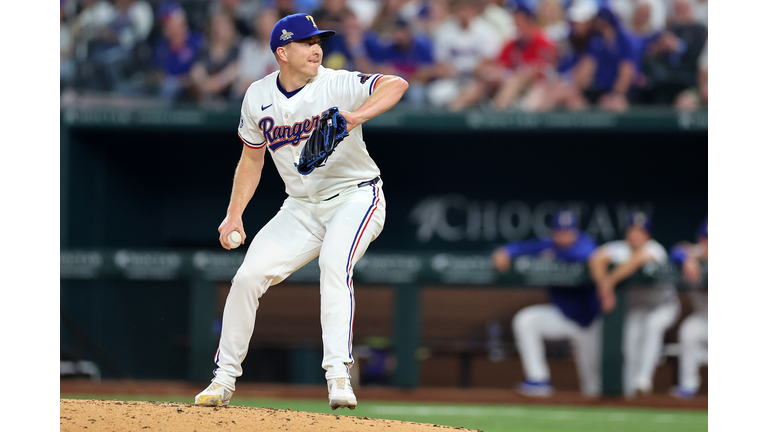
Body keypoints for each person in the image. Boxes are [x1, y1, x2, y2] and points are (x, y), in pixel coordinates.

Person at [194, 13, 409, 409]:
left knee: (333, 264)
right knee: (246, 278)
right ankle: (222, 381)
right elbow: (251, 160)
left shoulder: (336, 82)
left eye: (319, 41)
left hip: (355, 196)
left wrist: (357, 116)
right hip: (300, 207)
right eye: (306, 42)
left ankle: (339, 375)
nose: (316, 48)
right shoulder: (258, 96)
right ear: (282, 52)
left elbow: (396, 84)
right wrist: (234, 213)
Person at [492, 210, 602, 398]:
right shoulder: (548, 246)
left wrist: (555, 255)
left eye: (568, 231)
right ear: (553, 232)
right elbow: (520, 248)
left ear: (576, 232)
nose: (564, 236)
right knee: (526, 320)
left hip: (589, 322)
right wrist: (505, 251)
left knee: (593, 387)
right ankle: (538, 380)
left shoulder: (586, 246)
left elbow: (588, 255)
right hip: (563, 316)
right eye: (559, 231)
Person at [588, 212, 680, 397]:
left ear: (648, 235)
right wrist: (603, 285)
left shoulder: (655, 249)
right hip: (637, 308)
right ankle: (630, 391)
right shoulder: (621, 248)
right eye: (632, 230)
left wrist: (609, 282)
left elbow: (637, 261)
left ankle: (643, 380)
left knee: (652, 327)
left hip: (663, 306)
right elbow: (596, 258)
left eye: (640, 231)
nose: (635, 235)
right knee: (628, 342)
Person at [448, 1, 557, 112]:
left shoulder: (543, 40)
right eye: (514, 15)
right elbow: (500, 65)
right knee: (486, 80)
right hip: (509, 81)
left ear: (527, 18)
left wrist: (520, 74)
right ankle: (452, 112)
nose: (515, 19)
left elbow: (544, 70)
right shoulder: (512, 43)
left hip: (535, 86)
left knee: (516, 80)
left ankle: (495, 116)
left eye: (518, 16)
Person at [426, 0, 502, 108]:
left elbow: (491, 61)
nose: (463, 13)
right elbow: (440, 64)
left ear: (473, 10)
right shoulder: (445, 30)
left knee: (483, 81)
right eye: (460, 9)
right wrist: (450, 71)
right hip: (453, 80)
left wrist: (476, 69)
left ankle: (455, 112)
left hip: (477, 80)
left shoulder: (486, 31)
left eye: (466, 9)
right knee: (436, 94)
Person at [669, 219, 707, 399]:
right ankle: (688, 386)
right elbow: (676, 251)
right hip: (704, 317)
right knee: (688, 331)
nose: (708, 244)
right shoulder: (695, 254)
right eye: (706, 239)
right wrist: (688, 258)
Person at [189, 13, 241, 104]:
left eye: (223, 25)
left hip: (229, 100)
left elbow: (233, 72)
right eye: (216, 25)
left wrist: (214, 84)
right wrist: (204, 84)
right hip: (204, 98)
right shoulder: (204, 50)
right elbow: (196, 72)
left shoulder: (237, 50)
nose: (219, 29)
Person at [234, 8, 280, 99]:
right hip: (244, 97)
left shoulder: (284, 49)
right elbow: (241, 74)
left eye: (267, 23)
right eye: (261, 22)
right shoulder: (247, 45)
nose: (264, 26)